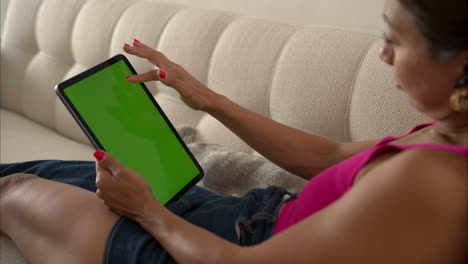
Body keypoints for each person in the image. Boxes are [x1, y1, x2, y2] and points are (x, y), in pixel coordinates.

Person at [1, 0, 467, 263]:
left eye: (396, 38)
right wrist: (207, 99)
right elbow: (328, 155)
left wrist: (147, 211)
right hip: (255, 215)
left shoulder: (436, 180)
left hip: (223, 249)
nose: (383, 55)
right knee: (46, 171)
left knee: (14, 189)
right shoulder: (446, 130)